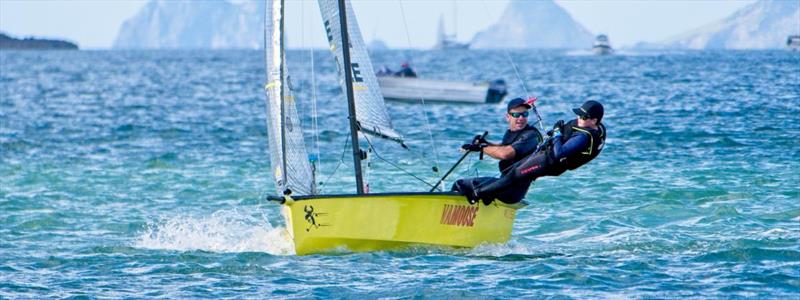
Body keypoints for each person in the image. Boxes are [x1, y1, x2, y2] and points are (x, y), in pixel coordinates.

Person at [464, 100, 607, 205]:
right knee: (514, 171)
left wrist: (557, 134)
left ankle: (477, 194)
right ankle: (489, 195)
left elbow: (559, 153)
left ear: (594, 120)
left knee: (514, 175)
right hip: (546, 156)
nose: (578, 119)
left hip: (549, 162)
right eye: (579, 115)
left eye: (583, 117)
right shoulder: (591, 127)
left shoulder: (583, 136)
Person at [451, 97, 543, 203]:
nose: (521, 118)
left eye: (524, 114)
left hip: (512, 190)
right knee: (467, 187)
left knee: (460, 185)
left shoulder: (530, 135)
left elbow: (506, 154)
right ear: (508, 117)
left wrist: (481, 148)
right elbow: (503, 147)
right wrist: (484, 143)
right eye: (516, 115)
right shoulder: (511, 133)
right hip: (504, 184)